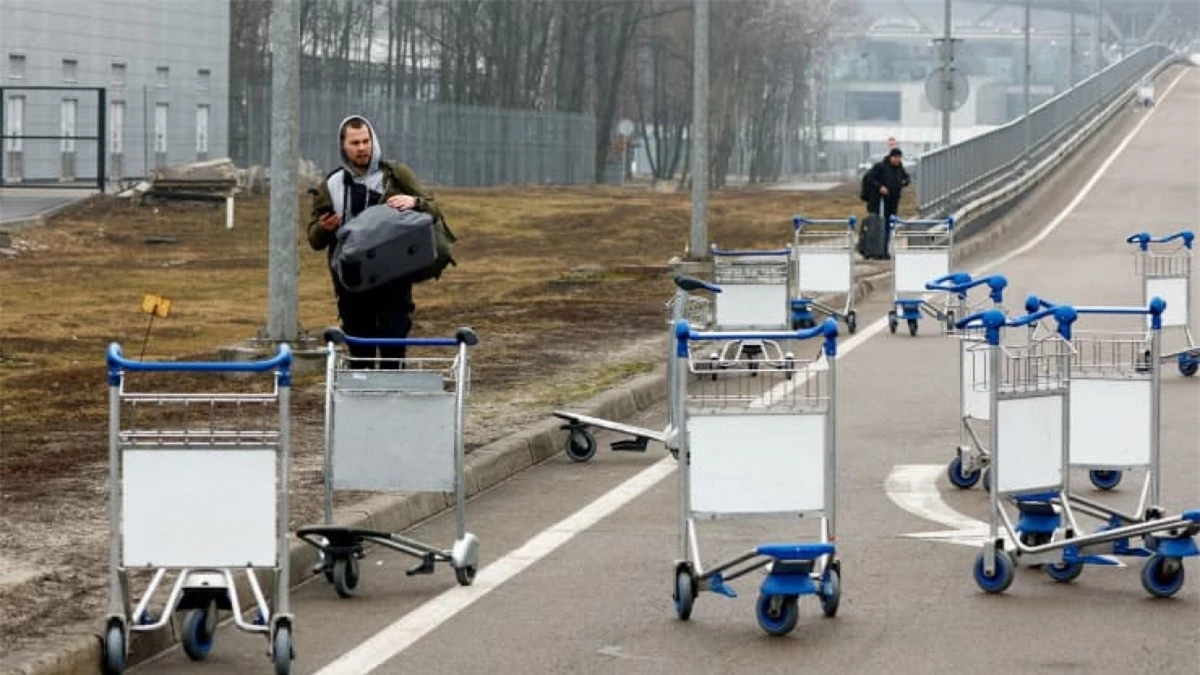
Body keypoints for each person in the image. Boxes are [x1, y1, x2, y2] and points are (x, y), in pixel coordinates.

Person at [307, 114, 444, 368]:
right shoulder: (332, 185)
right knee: (361, 352)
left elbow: (434, 211)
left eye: (365, 141)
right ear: (343, 146)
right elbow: (314, 239)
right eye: (355, 143)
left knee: (393, 345)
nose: (361, 148)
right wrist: (325, 228)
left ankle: (394, 400)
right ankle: (362, 400)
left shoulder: (395, 175)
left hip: (393, 276)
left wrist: (415, 202)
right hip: (352, 282)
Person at [864, 148, 911, 258]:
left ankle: (885, 250)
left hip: (893, 201)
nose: (897, 160)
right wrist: (880, 187)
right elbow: (869, 178)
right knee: (880, 225)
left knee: (889, 226)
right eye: (895, 157)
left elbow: (906, 177)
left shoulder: (900, 168)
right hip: (880, 202)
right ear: (890, 157)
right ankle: (877, 250)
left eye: (899, 158)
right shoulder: (881, 167)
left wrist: (905, 181)